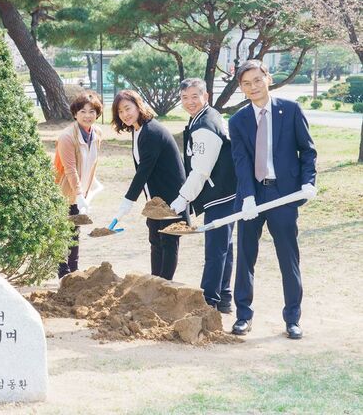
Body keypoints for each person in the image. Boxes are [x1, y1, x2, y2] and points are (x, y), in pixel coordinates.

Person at [228, 60, 317, 340]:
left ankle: (293, 318)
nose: (253, 87)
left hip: (284, 194)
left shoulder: (290, 110)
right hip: (252, 197)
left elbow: (308, 151)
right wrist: (248, 198)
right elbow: (241, 162)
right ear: (241, 88)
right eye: (246, 83)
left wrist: (308, 183)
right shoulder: (237, 120)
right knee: (245, 258)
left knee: (288, 258)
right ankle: (243, 315)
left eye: (257, 80)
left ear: (268, 78)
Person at [171, 78, 238, 313]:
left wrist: (182, 200)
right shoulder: (205, 117)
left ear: (205, 96)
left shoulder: (205, 126)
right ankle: (224, 299)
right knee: (224, 247)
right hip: (227, 192)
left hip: (220, 193)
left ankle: (209, 301)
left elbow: (201, 170)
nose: (190, 102)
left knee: (216, 249)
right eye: (185, 97)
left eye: (194, 97)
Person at [110, 89, 187, 280]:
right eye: (120, 112)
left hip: (171, 196)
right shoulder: (137, 129)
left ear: (138, 105)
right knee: (155, 239)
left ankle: (164, 286)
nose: (125, 114)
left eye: (128, 108)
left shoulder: (151, 131)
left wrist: (128, 201)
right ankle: (155, 282)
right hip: (155, 197)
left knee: (168, 239)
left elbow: (144, 170)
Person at [53, 91, 104, 278]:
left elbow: (91, 165)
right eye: (83, 111)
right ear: (75, 113)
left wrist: (86, 194)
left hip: (81, 192)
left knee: (74, 231)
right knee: (63, 232)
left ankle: (74, 271)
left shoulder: (97, 133)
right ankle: (63, 274)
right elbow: (70, 169)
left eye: (92, 111)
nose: (88, 115)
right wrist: (79, 195)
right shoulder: (67, 137)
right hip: (63, 191)